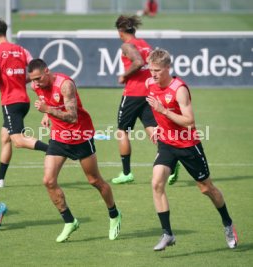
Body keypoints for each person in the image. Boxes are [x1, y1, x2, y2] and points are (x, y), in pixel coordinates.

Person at [145, 48, 238, 250]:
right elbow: (151, 108)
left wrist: (164, 111)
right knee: (156, 182)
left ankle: (228, 223)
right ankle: (167, 233)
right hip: (167, 144)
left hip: (188, 145)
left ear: (168, 68)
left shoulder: (179, 89)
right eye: (151, 69)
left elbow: (189, 122)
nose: (153, 74)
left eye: (157, 70)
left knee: (207, 189)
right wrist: (156, 127)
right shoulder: (149, 84)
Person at [28, 58, 122, 242]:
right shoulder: (35, 86)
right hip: (58, 138)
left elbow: (71, 117)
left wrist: (48, 110)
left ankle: (114, 214)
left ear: (47, 71)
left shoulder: (65, 85)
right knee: (48, 180)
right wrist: (47, 114)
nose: (36, 83)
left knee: (95, 181)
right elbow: (45, 100)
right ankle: (70, 221)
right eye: (33, 79)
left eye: (39, 78)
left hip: (80, 136)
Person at [112, 15, 179, 185]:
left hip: (133, 93)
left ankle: (126, 173)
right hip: (148, 92)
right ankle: (171, 158)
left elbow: (138, 62)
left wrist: (123, 75)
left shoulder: (127, 45)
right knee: (152, 128)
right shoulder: (144, 44)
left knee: (122, 131)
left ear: (120, 31)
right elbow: (147, 64)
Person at [0, 18, 48, 188]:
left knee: (18, 141)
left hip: (10, 102)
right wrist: (20, 79)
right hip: (23, 101)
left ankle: (52, 150)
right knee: (5, 137)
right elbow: (34, 70)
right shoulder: (21, 50)